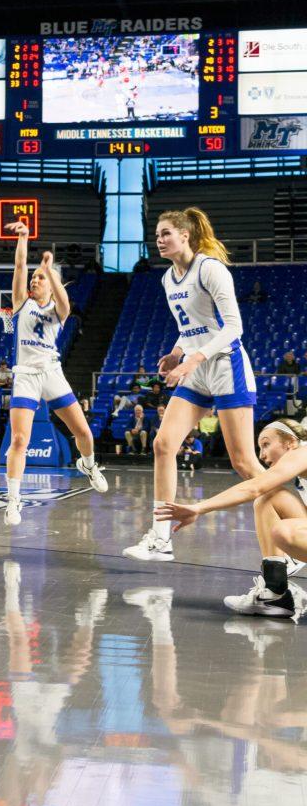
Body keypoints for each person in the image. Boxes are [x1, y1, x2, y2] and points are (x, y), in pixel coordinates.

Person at [123, 207, 260, 562]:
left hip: (226, 363)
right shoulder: (168, 279)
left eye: (166, 233)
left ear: (185, 235)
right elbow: (190, 329)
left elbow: (233, 328)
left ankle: (294, 516)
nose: (160, 240)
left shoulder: (210, 268)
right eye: (157, 236)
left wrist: (194, 359)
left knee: (245, 464)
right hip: (195, 367)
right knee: (164, 444)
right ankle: (161, 536)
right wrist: (175, 353)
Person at [2, 221, 107, 526]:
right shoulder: (21, 304)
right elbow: (20, 264)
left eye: (40, 278)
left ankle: (89, 465)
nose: (34, 280)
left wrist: (49, 270)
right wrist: (24, 237)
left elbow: (65, 302)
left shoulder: (57, 312)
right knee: (20, 440)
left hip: (51, 372)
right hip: (25, 375)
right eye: (34, 278)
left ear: (50, 283)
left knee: (84, 433)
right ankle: (13, 501)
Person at [157, 418, 307, 618]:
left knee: (283, 531)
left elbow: (254, 487)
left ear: (290, 442)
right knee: (268, 498)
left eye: (266, 444)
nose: (262, 455)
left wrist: (198, 508)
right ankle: (274, 594)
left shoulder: (301, 453)